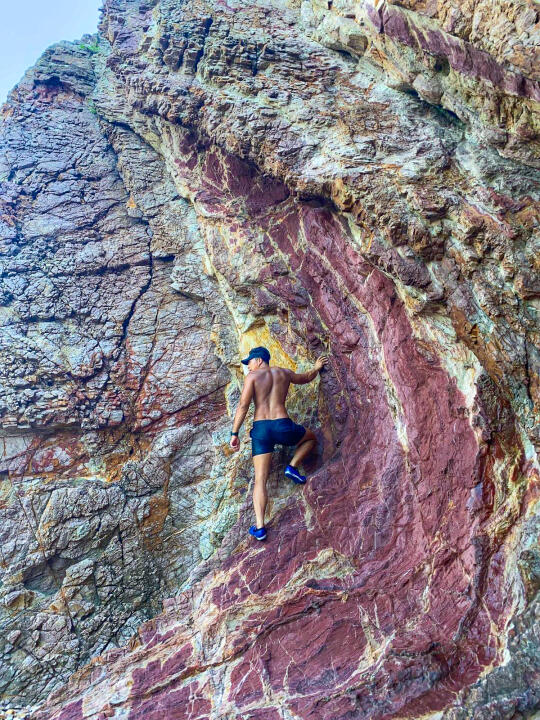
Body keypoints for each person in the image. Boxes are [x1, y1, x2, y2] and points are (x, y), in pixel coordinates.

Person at [229, 345, 328, 541]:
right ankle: (292, 466)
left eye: (249, 362)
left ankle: (260, 527)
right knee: (311, 438)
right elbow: (306, 377)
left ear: (259, 360)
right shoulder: (283, 373)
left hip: (261, 430)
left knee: (260, 480)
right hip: (282, 425)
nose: (248, 366)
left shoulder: (252, 377)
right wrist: (317, 368)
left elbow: (242, 406)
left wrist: (234, 433)